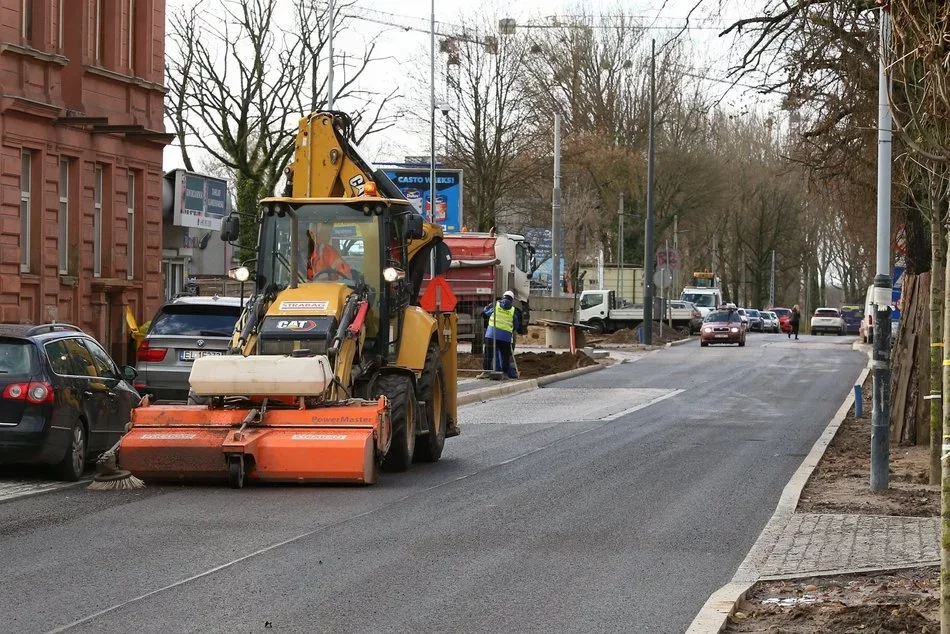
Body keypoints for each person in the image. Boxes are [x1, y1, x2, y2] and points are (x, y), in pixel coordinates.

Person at [483, 290, 521, 379]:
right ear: (512, 300)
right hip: (505, 337)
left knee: (488, 354)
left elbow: (486, 311)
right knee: (505, 356)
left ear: (503, 297)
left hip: (491, 335)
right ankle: (504, 373)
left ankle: (486, 372)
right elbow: (516, 325)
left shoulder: (495, 304)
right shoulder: (513, 310)